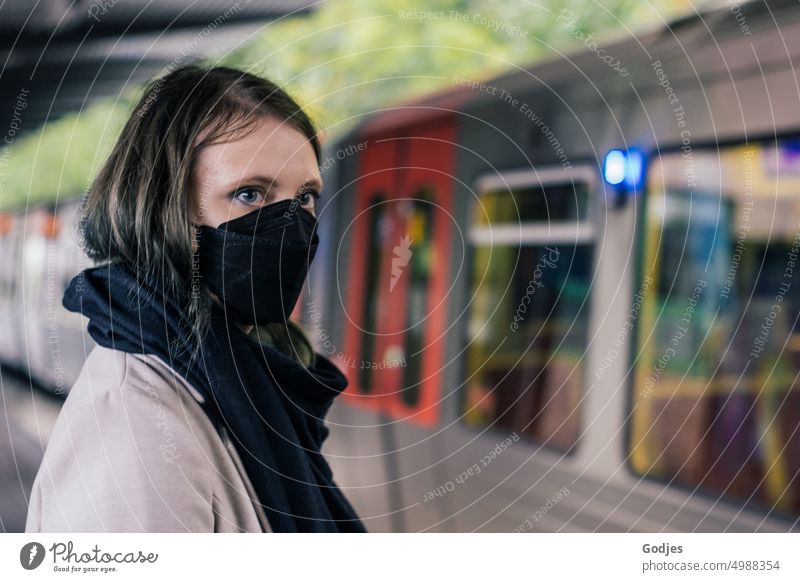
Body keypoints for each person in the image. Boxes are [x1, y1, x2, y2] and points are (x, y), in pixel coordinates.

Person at [25, 65, 367, 533]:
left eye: (305, 196)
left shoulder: (257, 378)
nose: (292, 224)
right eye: (249, 194)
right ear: (163, 213)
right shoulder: (135, 422)